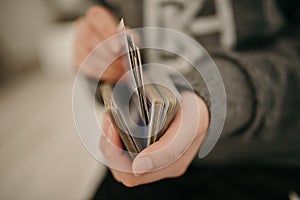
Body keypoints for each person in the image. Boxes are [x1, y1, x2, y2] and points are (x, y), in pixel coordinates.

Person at [74, 0, 300, 199]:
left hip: (264, 155)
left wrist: (215, 97)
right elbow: (106, 70)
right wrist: (100, 64)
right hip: (142, 155)